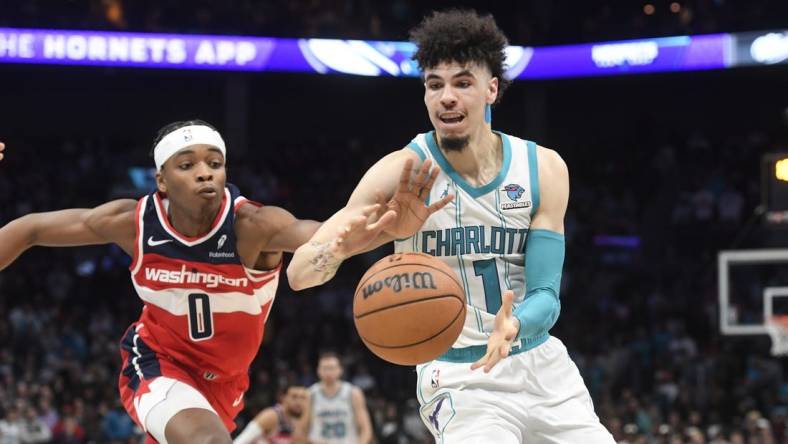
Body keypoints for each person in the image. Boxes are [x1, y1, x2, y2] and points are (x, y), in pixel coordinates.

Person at [287, 9, 615, 443]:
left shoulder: (543, 169)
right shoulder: (400, 173)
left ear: (491, 89)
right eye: (435, 85)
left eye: (462, 83)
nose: (447, 97)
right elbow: (298, 275)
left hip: (540, 366)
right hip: (458, 375)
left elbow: (545, 296)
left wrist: (513, 324)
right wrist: (349, 246)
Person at [0, 121, 392, 444]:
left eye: (215, 162)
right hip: (156, 362)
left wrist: (376, 231)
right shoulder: (133, 223)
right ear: (162, 181)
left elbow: (321, 234)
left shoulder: (253, 226)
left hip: (226, 383)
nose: (205, 171)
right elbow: (31, 228)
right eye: (186, 165)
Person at [293, 352, 373, 444]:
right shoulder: (310, 394)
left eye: (331, 368)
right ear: (318, 370)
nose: (328, 372)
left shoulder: (353, 393)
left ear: (340, 370)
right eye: (325, 368)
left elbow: (366, 429)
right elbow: (301, 430)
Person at [233, 384, 308, 444]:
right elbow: (240, 441)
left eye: (302, 397)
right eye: (294, 397)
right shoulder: (271, 416)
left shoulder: (297, 421)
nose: (299, 402)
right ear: (283, 397)